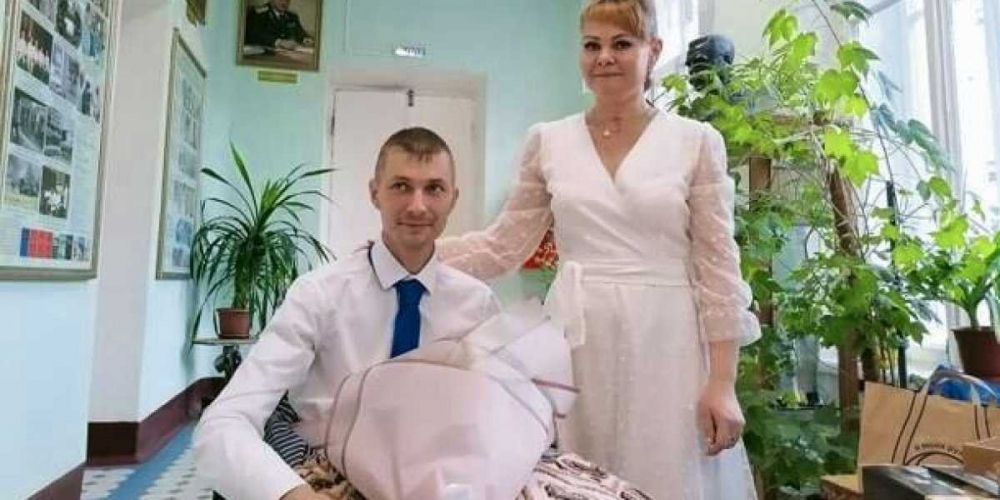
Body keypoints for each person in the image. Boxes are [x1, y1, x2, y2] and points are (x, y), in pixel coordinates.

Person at [436, 0, 761, 497]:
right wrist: (416, 252)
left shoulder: (696, 142)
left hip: (668, 341)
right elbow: (503, 246)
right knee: (579, 474)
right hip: (577, 340)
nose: (604, 57)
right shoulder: (548, 141)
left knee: (667, 470)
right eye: (592, 45)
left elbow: (718, 266)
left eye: (621, 44)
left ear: (654, 50)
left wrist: (722, 382)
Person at [194, 128, 501, 500]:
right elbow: (224, 422)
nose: (418, 206)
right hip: (326, 476)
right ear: (374, 192)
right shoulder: (319, 294)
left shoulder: (478, 304)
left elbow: (497, 420)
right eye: (401, 186)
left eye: (434, 188)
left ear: (453, 198)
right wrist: (292, 494)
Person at [244, 0, 314, 51]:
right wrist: (278, 42)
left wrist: (305, 39)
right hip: (264, 56)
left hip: (286, 54)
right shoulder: (258, 13)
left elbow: (300, 32)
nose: (284, 3)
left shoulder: (292, 16)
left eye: (287, 0)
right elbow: (254, 35)